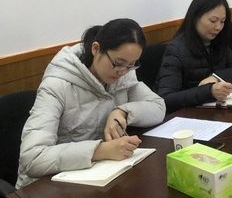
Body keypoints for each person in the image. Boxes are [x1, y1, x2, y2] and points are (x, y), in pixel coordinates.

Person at [17, 18, 166, 189]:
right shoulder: (57, 86)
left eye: (131, 65)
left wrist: (122, 111)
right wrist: (100, 150)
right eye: (118, 64)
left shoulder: (123, 77)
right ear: (96, 49)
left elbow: (158, 107)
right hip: (45, 186)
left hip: (94, 176)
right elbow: (32, 158)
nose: (123, 72)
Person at [156, 0, 232, 113]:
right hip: (187, 115)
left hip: (214, 112)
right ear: (195, 17)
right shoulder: (176, 50)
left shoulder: (216, 42)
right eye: (213, 21)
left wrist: (216, 77)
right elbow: (166, 98)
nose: (218, 27)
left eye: (222, 21)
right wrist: (209, 91)